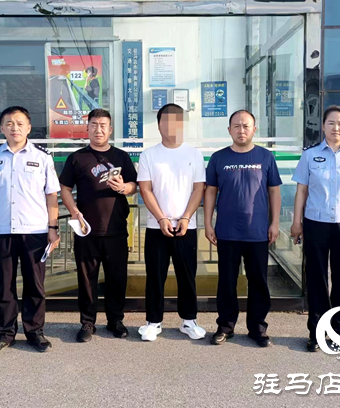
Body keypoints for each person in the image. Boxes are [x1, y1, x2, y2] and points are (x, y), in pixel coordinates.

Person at [0, 106, 61, 357]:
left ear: (29, 128)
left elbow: (52, 197)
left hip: (34, 232)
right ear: (2, 128)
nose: (15, 128)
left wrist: (53, 229)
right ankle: (5, 334)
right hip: (0, 231)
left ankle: (35, 332)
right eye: (9, 123)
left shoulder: (42, 157)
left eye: (20, 123)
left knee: (35, 285)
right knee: (5, 287)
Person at [290, 105, 340, 352]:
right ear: (323, 126)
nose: (336, 127)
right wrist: (297, 221)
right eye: (331, 123)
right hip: (315, 223)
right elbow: (302, 191)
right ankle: (316, 332)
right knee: (317, 278)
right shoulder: (310, 156)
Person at [204, 110, 282, 347]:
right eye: (236, 126)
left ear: (254, 129)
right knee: (227, 282)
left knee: (258, 281)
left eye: (246, 126)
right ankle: (225, 326)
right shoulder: (218, 158)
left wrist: (275, 223)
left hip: (257, 232)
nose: (241, 130)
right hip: (227, 231)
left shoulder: (266, 157)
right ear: (229, 130)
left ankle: (257, 327)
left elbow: (274, 191)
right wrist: (207, 223)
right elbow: (210, 191)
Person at [59, 109, 138, 342]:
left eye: (103, 125)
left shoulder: (122, 156)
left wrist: (123, 188)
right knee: (87, 279)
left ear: (110, 129)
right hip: (87, 230)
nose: (98, 129)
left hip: (116, 229)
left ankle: (115, 320)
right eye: (94, 125)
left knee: (117, 278)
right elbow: (64, 188)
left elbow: (134, 185)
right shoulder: (77, 158)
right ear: (87, 128)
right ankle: (87, 322)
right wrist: (74, 211)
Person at [137, 103, 206, 342]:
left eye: (177, 120)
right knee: (155, 276)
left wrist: (186, 217)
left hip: (187, 225)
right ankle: (153, 322)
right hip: (157, 226)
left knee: (187, 276)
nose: (171, 125)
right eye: (166, 121)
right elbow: (145, 189)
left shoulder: (194, 154)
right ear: (158, 125)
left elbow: (199, 189)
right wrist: (161, 218)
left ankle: (189, 321)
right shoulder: (148, 155)